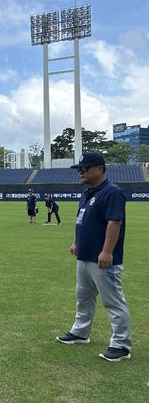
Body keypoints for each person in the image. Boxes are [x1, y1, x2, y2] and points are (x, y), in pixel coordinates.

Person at [56, 152, 132, 362]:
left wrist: (107, 251)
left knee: (113, 301)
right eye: (79, 169)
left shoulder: (111, 192)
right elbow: (83, 220)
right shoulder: (88, 192)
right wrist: (76, 242)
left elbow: (114, 222)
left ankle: (121, 345)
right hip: (85, 256)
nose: (81, 172)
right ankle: (80, 332)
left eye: (84, 169)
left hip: (103, 259)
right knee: (83, 297)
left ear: (99, 168)